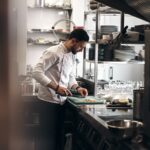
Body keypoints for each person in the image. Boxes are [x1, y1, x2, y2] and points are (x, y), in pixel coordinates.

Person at [32, 28, 89, 150]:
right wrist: (56, 87)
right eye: (81, 47)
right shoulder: (53, 52)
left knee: (58, 139)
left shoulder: (72, 55)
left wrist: (77, 87)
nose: (81, 50)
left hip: (61, 103)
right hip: (47, 103)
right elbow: (36, 72)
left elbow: (70, 75)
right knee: (46, 139)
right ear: (73, 41)